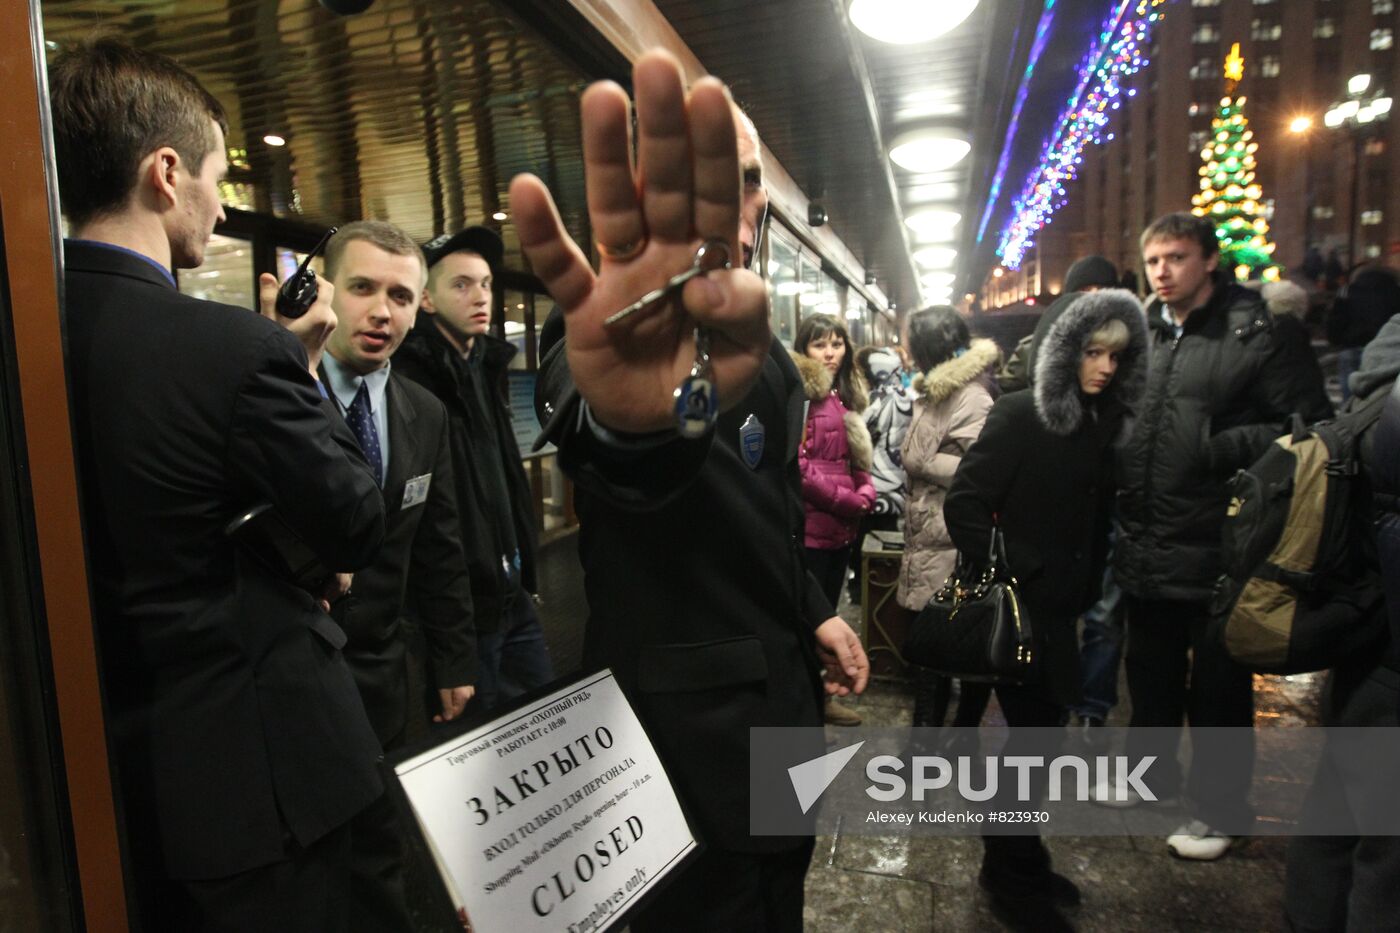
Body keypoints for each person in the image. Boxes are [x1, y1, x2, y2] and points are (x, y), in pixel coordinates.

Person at [515, 50, 868, 931]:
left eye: (747, 181)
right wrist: (639, 429)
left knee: (780, 898)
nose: (734, 203)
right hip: (684, 745)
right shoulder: (612, 337)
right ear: (651, 186)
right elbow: (624, 445)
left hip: (783, 710)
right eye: (713, 177)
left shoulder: (773, 361)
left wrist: (811, 608)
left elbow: (765, 519)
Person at [51, 38, 386, 931]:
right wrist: (302, 363)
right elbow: (354, 514)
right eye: (214, 175)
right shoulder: (231, 347)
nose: (223, 203)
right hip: (260, 782)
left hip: (94, 779)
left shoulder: (31, 334)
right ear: (165, 174)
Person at [1106, 212, 1333, 859]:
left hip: (1224, 539)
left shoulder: (1258, 330)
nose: (1162, 272)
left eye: (1175, 258)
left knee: (1218, 687)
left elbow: (1308, 428)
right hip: (1147, 533)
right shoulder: (1143, 331)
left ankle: (1222, 808)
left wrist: (1221, 446)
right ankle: (1149, 779)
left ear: (1208, 260)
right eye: (1153, 260)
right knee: (1147, 672)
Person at [943, 289, 1149, 933]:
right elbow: (965, 506)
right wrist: (1023, 571)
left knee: (1038, 747)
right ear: (1064, 355)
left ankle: (1019, 860)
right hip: (1023, 612)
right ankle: (1010, 878)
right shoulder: (1020, 415)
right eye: (1092, 352)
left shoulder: (1098, 422)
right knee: (1022, 752)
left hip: (1065, 615)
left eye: (1117, 356)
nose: (1106, 368)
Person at [318, 221, 478, 932]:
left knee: (379, 854)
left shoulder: (423, 411)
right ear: (325, 289)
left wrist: (453, 656)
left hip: (380, 676)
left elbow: (439, 545)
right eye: (362, 288)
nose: (382, 311)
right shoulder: (275, 387)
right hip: (285, 679)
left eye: (401, 296)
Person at [397, 225, 554, 713]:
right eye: (461, 284)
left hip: (511, 593)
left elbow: (499, 483)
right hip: (464, 616)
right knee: (480, 755)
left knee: (546, 722)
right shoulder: (410, 380)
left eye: (485, 283)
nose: (480, 295)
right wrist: (449, 645)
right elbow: (430, 519)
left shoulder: (483, 367)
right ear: (426, 299)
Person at [1284, 317, 1400, 932]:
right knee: (1384, 865)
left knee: (1333, 825)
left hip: (1363, 636)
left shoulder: (1374, 388)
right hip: (1387, 653)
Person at [895, 306, 1000, 733]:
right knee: (929, 645)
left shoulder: (972, 396)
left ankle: (955, 733)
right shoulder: (935, 391)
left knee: (951, 641)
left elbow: (982, 468)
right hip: (928, 532)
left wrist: (922, 462)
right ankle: (926, 734)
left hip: (954, 536)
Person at [793, 314, 873, 725]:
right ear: (804, 349)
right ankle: (807, 703)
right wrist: (846, 499)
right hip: (810, 526)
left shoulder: (845, 396)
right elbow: (799, 467)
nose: (829, 353)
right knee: (810, 620)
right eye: (819, 344)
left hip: (840, 529)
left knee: (828, 614)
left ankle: (820, 697)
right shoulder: (801, 394)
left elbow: (858, 459)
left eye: (837, 344)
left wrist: (866, 492)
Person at [1327, 266, 1400, 402]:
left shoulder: (1347, 291)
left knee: (1350, 397)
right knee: (1383, 394)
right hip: (1385, 349)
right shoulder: (1395, 291)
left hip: (1352, 346)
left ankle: (1352, 419)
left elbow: (1336, 320)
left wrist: (1337, 340)